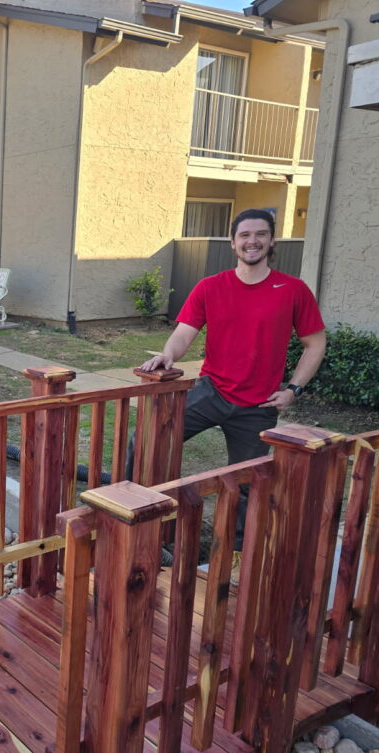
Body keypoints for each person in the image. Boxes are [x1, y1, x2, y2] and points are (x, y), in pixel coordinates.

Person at [138, 208, 326, 552]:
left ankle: (236, 553)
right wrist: (169, 355)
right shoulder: (211, 287)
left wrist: (293, 390)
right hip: (211, 391)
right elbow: (184, 332)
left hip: (259, 405)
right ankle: (140, 518)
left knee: (248, 483)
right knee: (148, 441)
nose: (252, 241)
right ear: (232, 242)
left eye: (260, 234)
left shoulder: (293, 290)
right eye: (245, 235)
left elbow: (315, 343)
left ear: (271, 241)